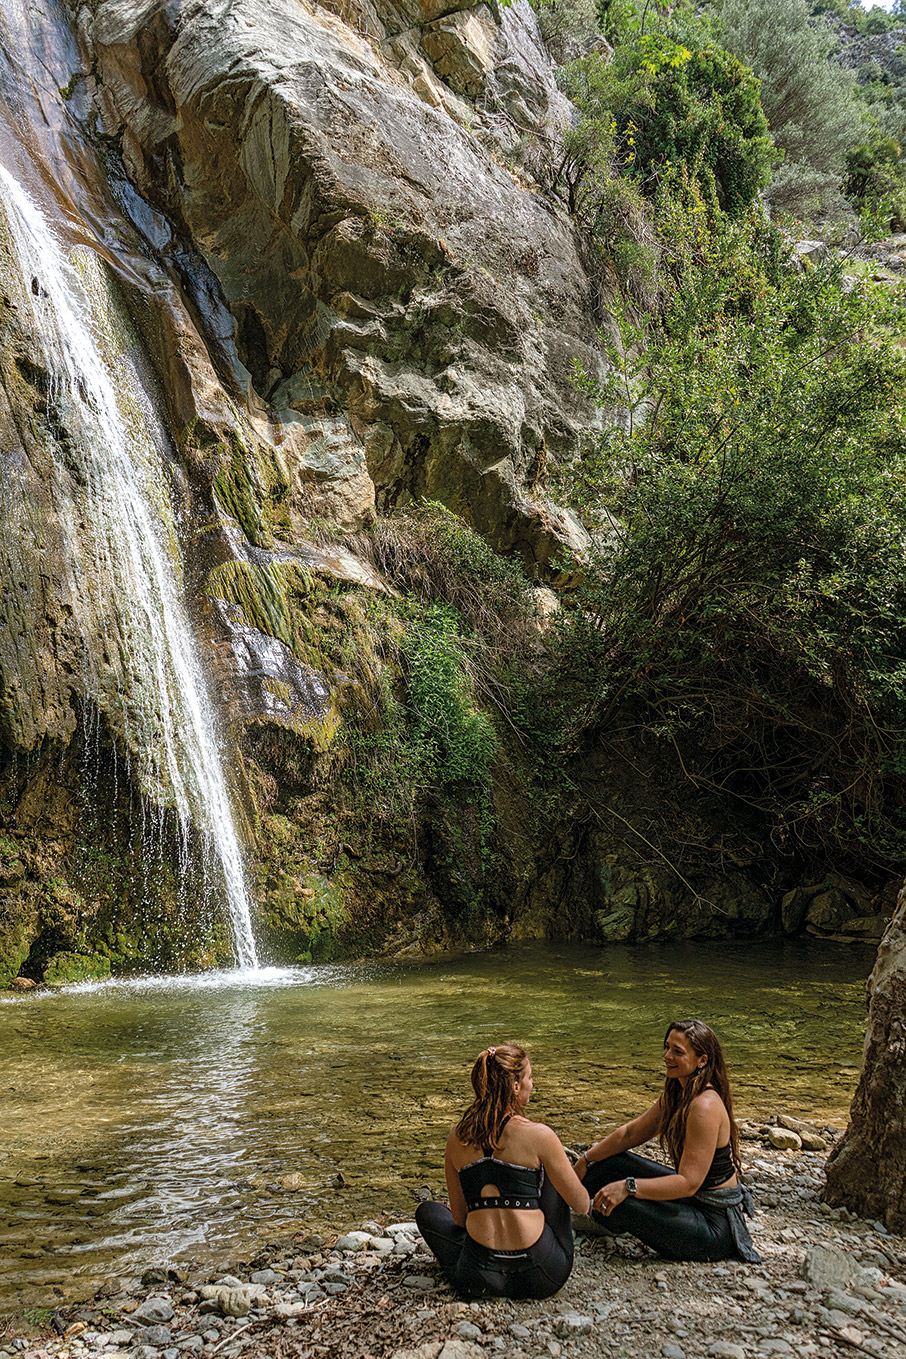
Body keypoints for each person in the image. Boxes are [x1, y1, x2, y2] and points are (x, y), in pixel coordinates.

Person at [416, 1043, 592, 1298]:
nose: (533, 1083)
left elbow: (460, 1220)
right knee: (552, 1175)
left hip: (478, 1277)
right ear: (516, 1086)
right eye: (530, 1077)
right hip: (542, 1275)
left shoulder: (456, 1137)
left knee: (428, 1212)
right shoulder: (540, 1135)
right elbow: (582, 1204)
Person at [576, 1019, 760, 1263]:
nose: (667, 1056)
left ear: (701, 1060)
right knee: (607, 1165)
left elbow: (688, 1183)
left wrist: (628, 1187)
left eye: (677, 1051)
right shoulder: (678, 1093)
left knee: (622, 1204)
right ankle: (570, 1207)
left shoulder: (704, 1106)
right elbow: (629, 1134)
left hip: (714, 1227)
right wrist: (585, 1160)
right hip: (692, 1201)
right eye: (666, 1047)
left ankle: (587, 1218)